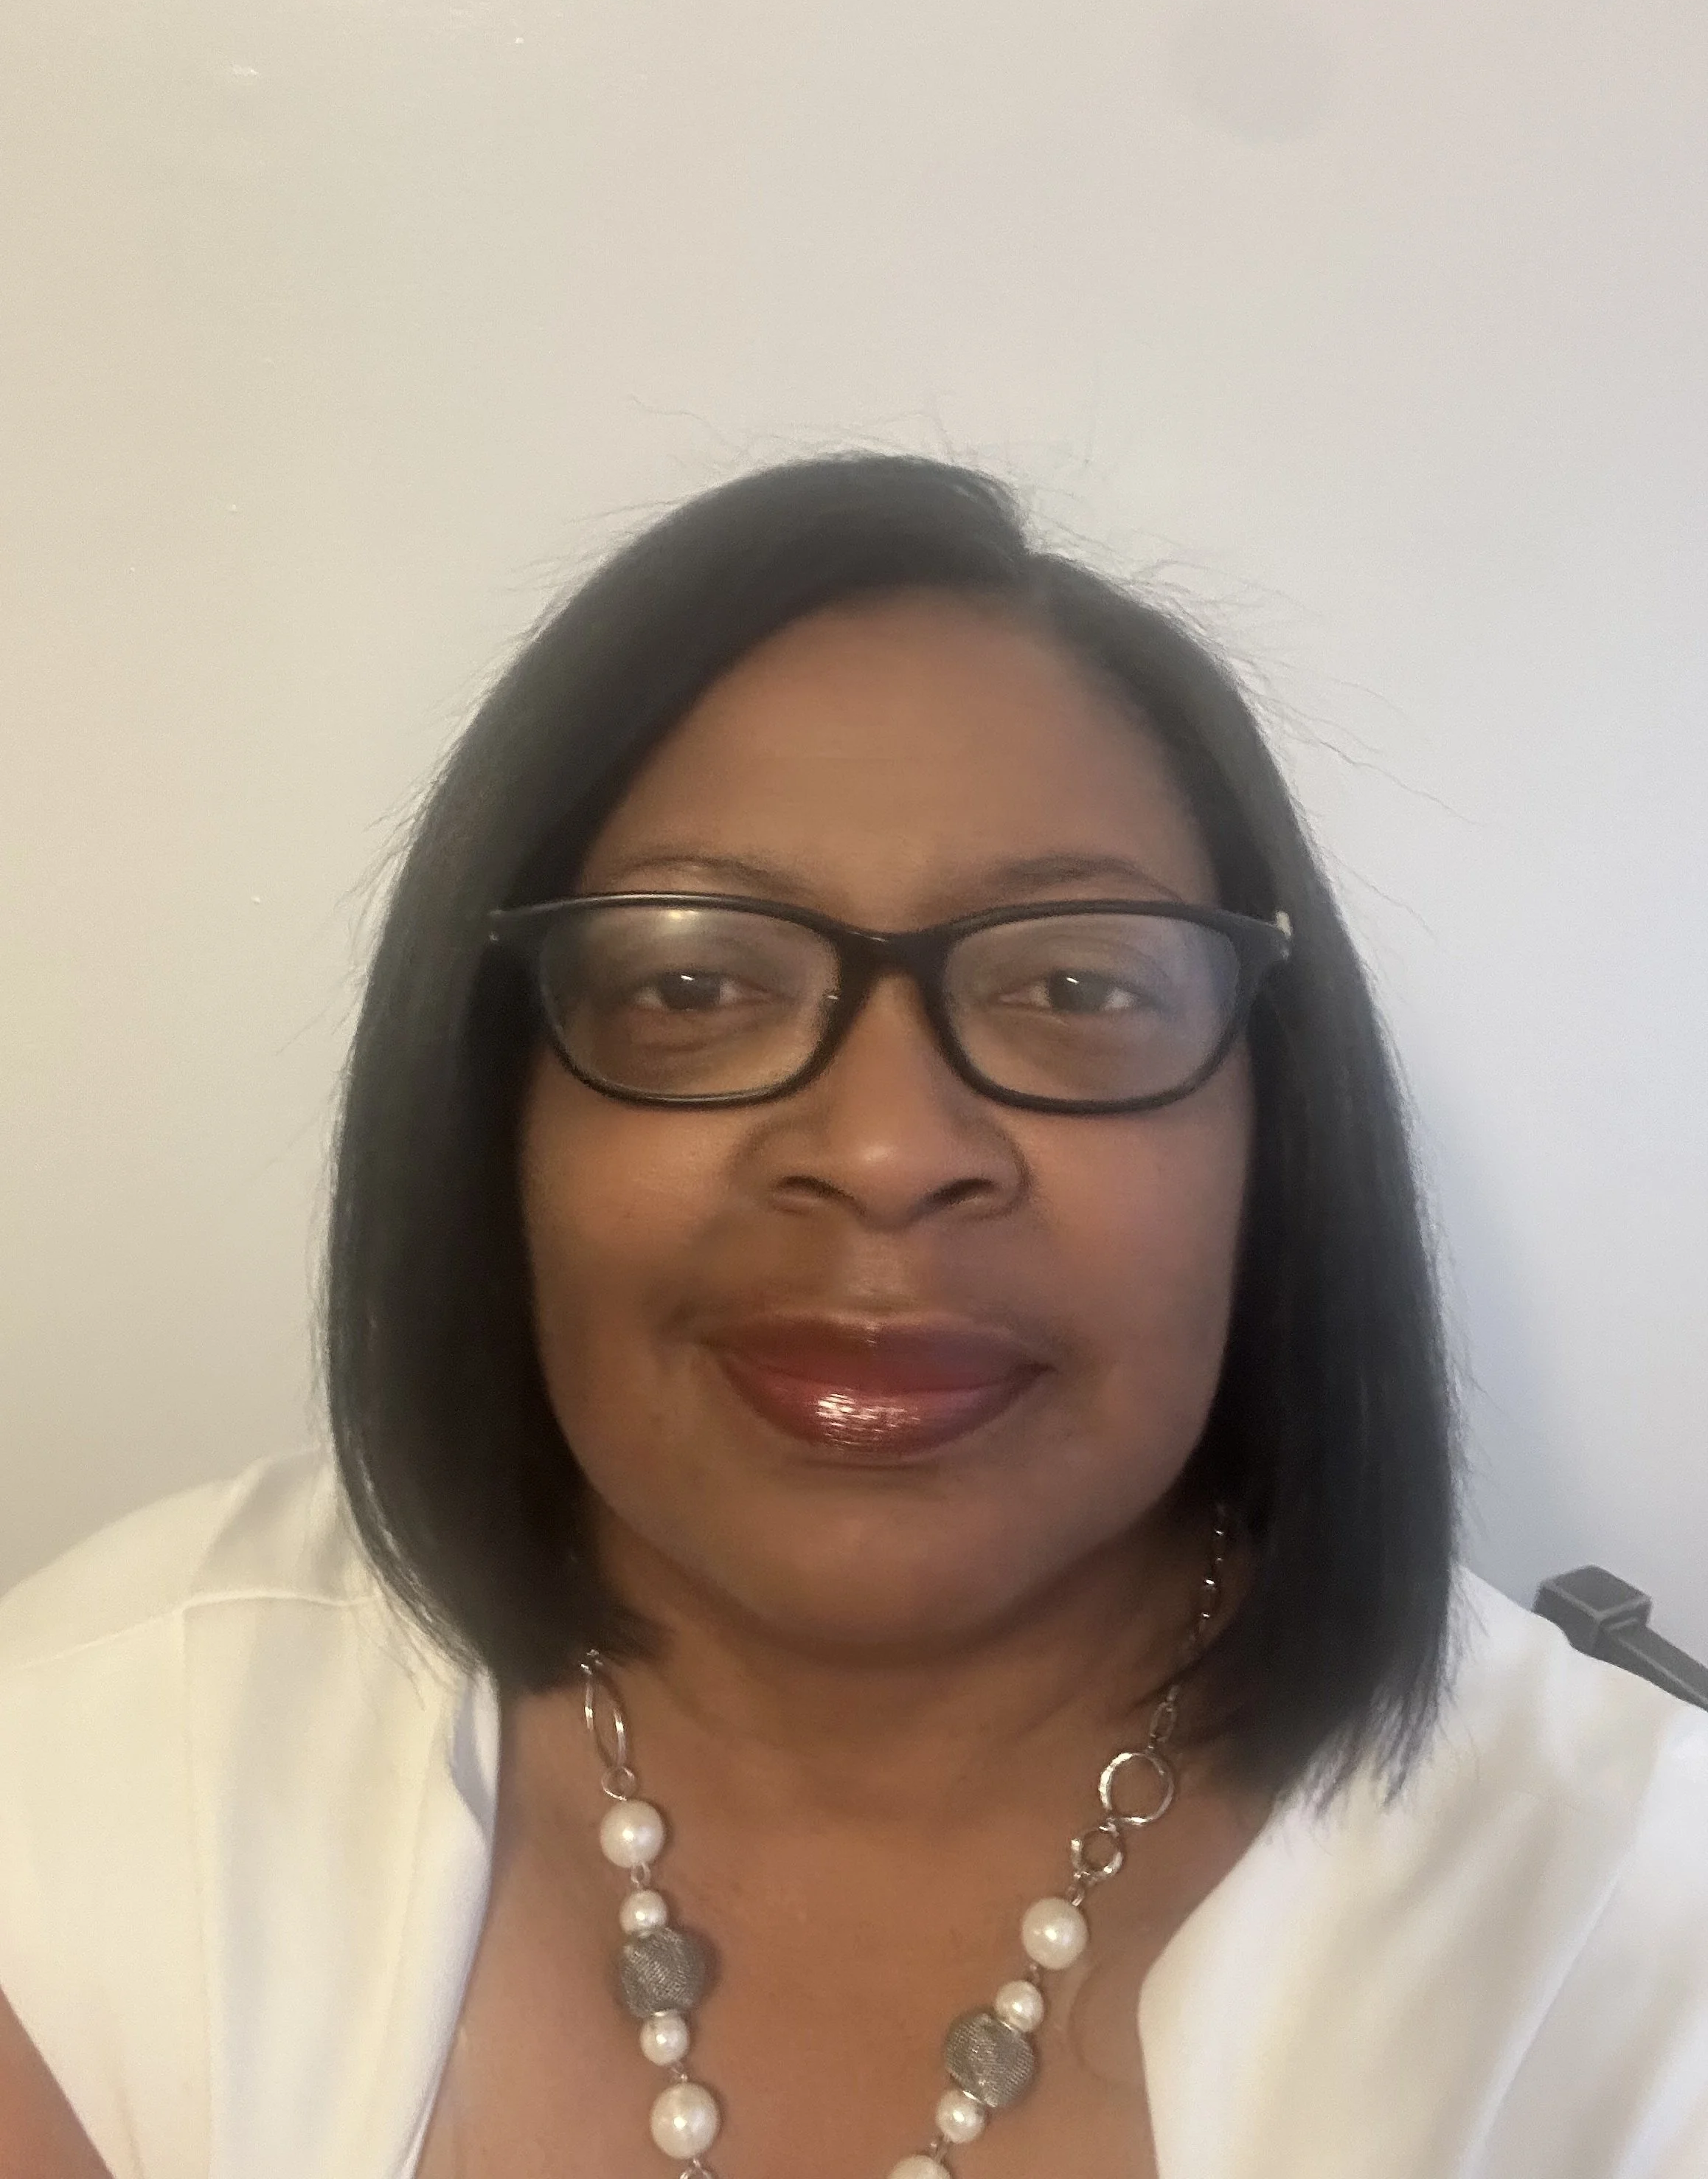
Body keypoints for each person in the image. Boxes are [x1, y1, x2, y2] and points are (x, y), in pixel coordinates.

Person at [0, 455, 1703, 2179]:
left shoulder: (1640, 1941)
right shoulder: (92, 1782)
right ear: (489, 1107)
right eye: (691, 980)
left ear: (1279, 1123)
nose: (886, 1152)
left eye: (1076, 983)